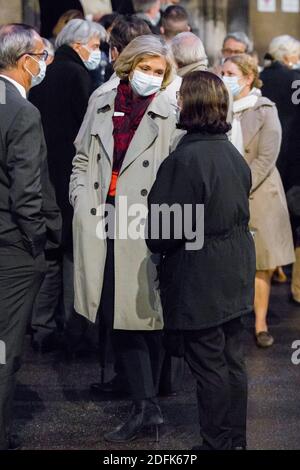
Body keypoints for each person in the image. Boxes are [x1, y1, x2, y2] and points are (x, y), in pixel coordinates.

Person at [70, 35, 178, 442]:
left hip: (147, 223)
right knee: (120, 313)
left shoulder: (170, 111)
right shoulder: (101, 99)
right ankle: (145, 402)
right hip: (103, 217)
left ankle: (146, 403)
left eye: (158, 72)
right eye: (145, 68)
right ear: (128, 64)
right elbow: (81, 157)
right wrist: (81, 198)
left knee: (143, 315)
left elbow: (175, 172)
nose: (150, 77)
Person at [146, 71, 256, 451]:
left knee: (208, 365)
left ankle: (215, 443)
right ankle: (235, 440)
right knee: (232, 361)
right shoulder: (231, 154)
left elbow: (161, 233)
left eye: (179, 98)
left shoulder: (184, 160)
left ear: (188, 106)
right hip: (235, 269)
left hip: (201, 277)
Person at [0, 23, 61, 450]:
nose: (45, 62)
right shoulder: (23, 112)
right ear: (26, 62)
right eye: (42, 55)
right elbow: (27, 191)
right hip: (13, 247)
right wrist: (38, 240)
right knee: (5, 347)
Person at [29, 19, 106, 352]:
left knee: (49, 255)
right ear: (79, 45)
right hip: (69, 175)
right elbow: (86, 131)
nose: (98, 52)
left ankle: (42, 327)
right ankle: (75, 330)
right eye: (95, 45)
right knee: (73, 254)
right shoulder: (77, 75)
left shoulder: (45, 71)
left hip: (45, 174)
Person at [222, 54, 295, 348]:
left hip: (258, 193)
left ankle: (260, 323)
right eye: (223, 70)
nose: (224, 76)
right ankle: (230, 319)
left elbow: (266, 157)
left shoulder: (265, 109)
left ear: (248, 77)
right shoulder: (221, 106)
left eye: (230, 72)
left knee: (260, 264)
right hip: (225, 193)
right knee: (229, 262)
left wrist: (239, 183)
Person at [260, 35, 300, 192]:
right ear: (287, 56)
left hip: (263, 145)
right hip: (291, 146)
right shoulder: (295, 79)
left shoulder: (259, 77)